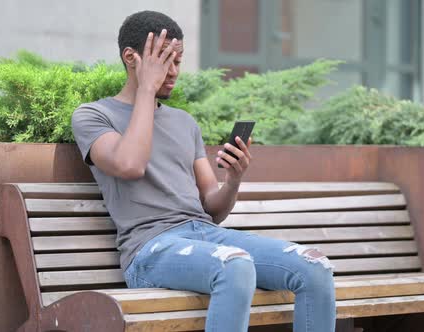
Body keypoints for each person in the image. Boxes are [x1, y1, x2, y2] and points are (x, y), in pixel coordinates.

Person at [71, 10, 335, 332]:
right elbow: (130, 164)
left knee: (314, 266)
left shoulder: (184, 122)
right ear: (131, 57)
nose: (173, 72)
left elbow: (213, 207)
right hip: (150, 249)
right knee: (234, 265)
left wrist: (233, 179)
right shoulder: (93, 116)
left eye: (178, 61)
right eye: (164, 60)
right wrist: (146, 90)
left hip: (205, 235)